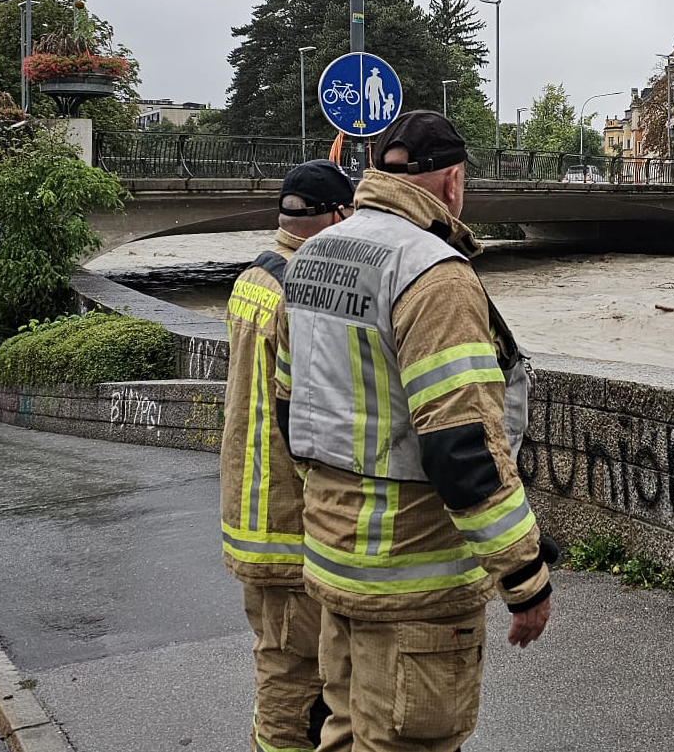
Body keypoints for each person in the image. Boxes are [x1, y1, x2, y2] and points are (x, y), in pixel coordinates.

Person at [275, 110, 553, 752]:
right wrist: (523, 575)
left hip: (335, 564)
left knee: (344, 735)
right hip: (415, 583)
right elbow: (463, 449)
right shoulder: (435, 275)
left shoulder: (312, 258)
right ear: (453, 182)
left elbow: (294, 416)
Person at [221, 160, 356, 752]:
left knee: (280, 660)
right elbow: (304, 410)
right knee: (293, 674)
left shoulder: (254, 276)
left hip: (248, 506)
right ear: (335, 216)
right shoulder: (302, 291)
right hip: (286, 516)